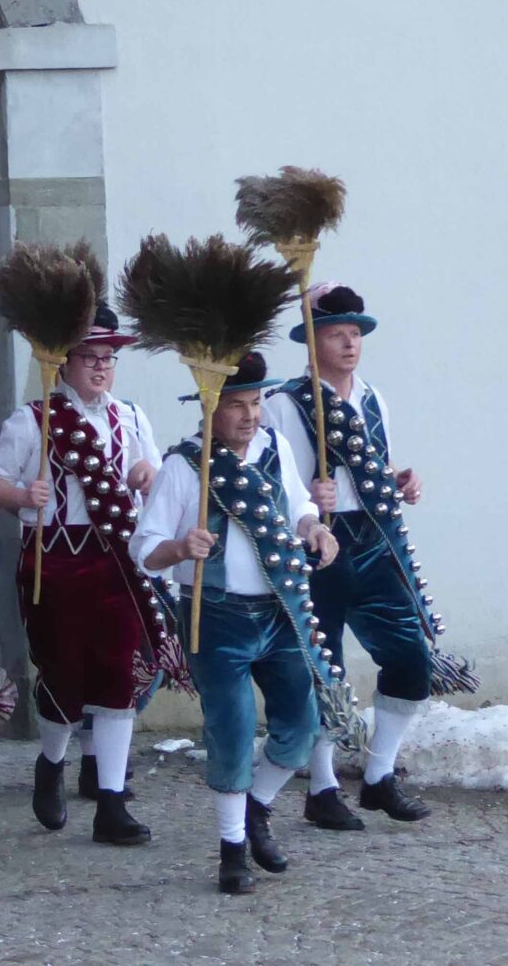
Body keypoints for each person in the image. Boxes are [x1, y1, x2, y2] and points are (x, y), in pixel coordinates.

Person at [134, 351, 340, 894]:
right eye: (237, 406)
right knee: (232, 731)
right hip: (215, 616)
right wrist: (180, 546)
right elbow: (144, 548)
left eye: (255, 403)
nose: (250, 416)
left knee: (302, 728)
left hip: (279, 611)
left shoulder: (275, 451)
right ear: (210, 407)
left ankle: (257, 809)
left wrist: (315, 529)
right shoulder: (184, 465)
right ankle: (231, 852)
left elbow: (299, 508)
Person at [0, 305, 179, 846]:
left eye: (108, 359)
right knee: (63, 678)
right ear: (64, 362)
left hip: (116, 561)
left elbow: (155, 478)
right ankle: (51, 762)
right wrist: (24, 495)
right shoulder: (33, 419)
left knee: (117, 678)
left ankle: (110, 803)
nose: (99, 368)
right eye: (89, 357)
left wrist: (147, 474)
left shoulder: (133, 418)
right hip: (55, 562)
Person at [264, 283, 435, 829]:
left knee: (410, 657)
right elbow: (271, 480)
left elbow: (369, 469)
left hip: (376, 540)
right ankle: (322, 786)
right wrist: (309, 502)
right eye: (337, 334)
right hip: (320, 544)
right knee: (324, 666)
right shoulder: (286, 403)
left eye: (355, 333)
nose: (349, 343)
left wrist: (397, 481)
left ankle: (380, 775)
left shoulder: (373, 398)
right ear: (312, 342)